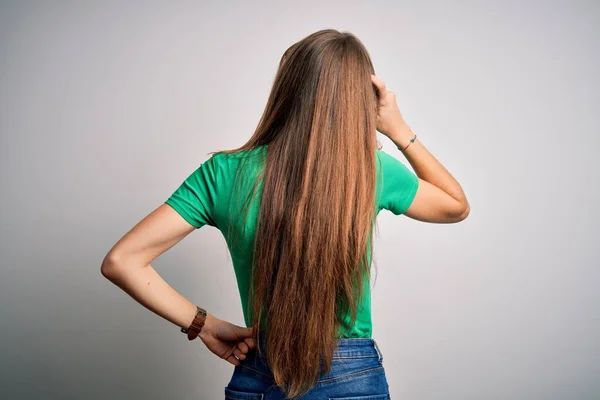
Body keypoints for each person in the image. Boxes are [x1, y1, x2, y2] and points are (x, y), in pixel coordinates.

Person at [101, 29, 470, 400]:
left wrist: (206, 326)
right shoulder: (371, 170)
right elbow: (456, 205)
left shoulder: (223, 173)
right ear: (362, 99)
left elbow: (122, 261)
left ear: (286, 89)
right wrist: (395, 127)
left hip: (260, 373)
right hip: (352, 379)